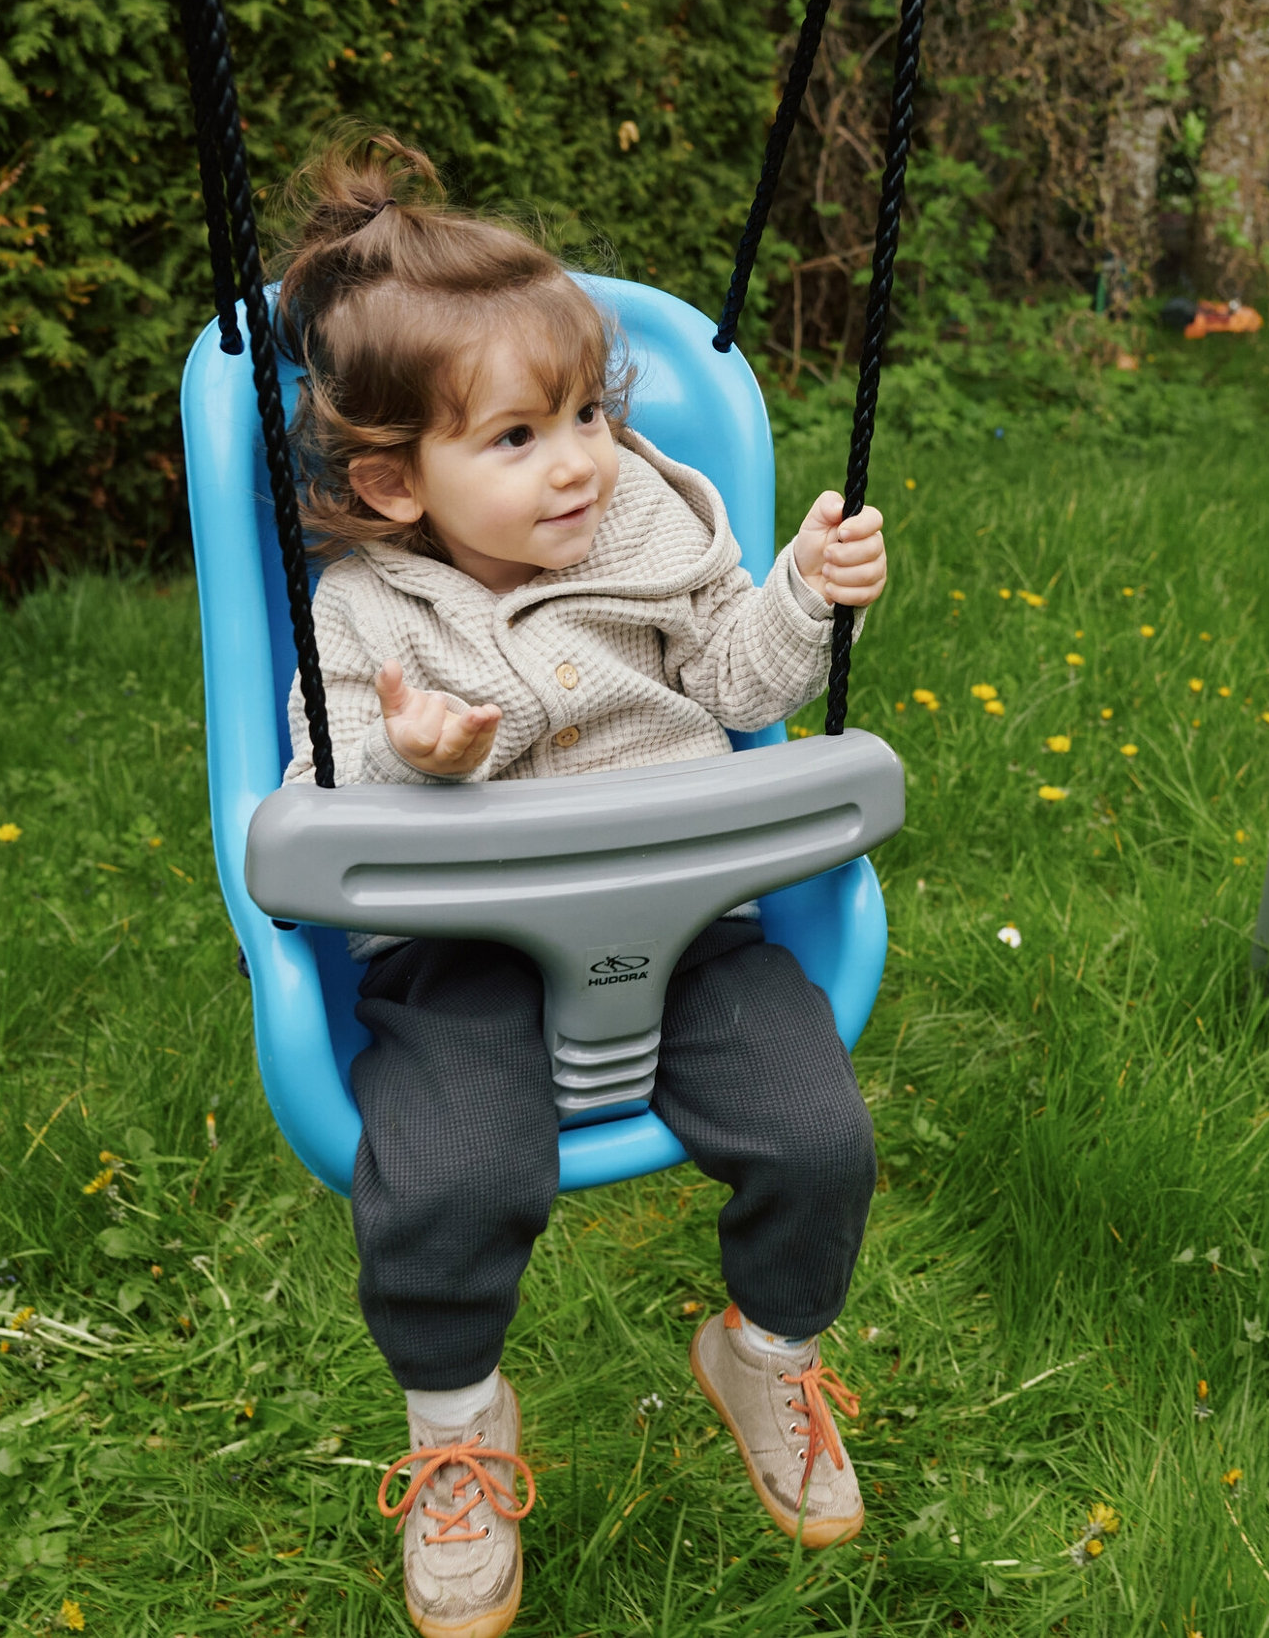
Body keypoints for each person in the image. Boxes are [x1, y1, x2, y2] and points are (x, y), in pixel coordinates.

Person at [277, 133, 888, 1638]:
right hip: (465, 949)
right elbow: (320, 793)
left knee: (821, 1139)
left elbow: (738, 688)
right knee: (449, 1183)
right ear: (393, 481)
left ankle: (763, 1353)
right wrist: (419, 758)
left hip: (694, 923)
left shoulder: (647, 523)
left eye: (584, 415)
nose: (575, 460)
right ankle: (456, 1435)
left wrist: (800, 597)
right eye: (514, 438)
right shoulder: (359, 609)